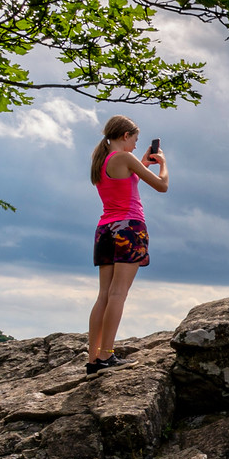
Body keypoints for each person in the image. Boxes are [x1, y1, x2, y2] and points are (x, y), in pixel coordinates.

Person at [85, 114, 167, 373]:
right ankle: (107, 356)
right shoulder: (125, 158)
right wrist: (163, 164)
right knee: (118, 293)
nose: (134, 145)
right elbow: (162, 186)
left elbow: (124, 179)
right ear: (124, 135)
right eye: (134, 139)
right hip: (129, 228)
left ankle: (93, 359)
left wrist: (141, 164)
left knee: (104, 295)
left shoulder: (101, 161)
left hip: (105, 230)